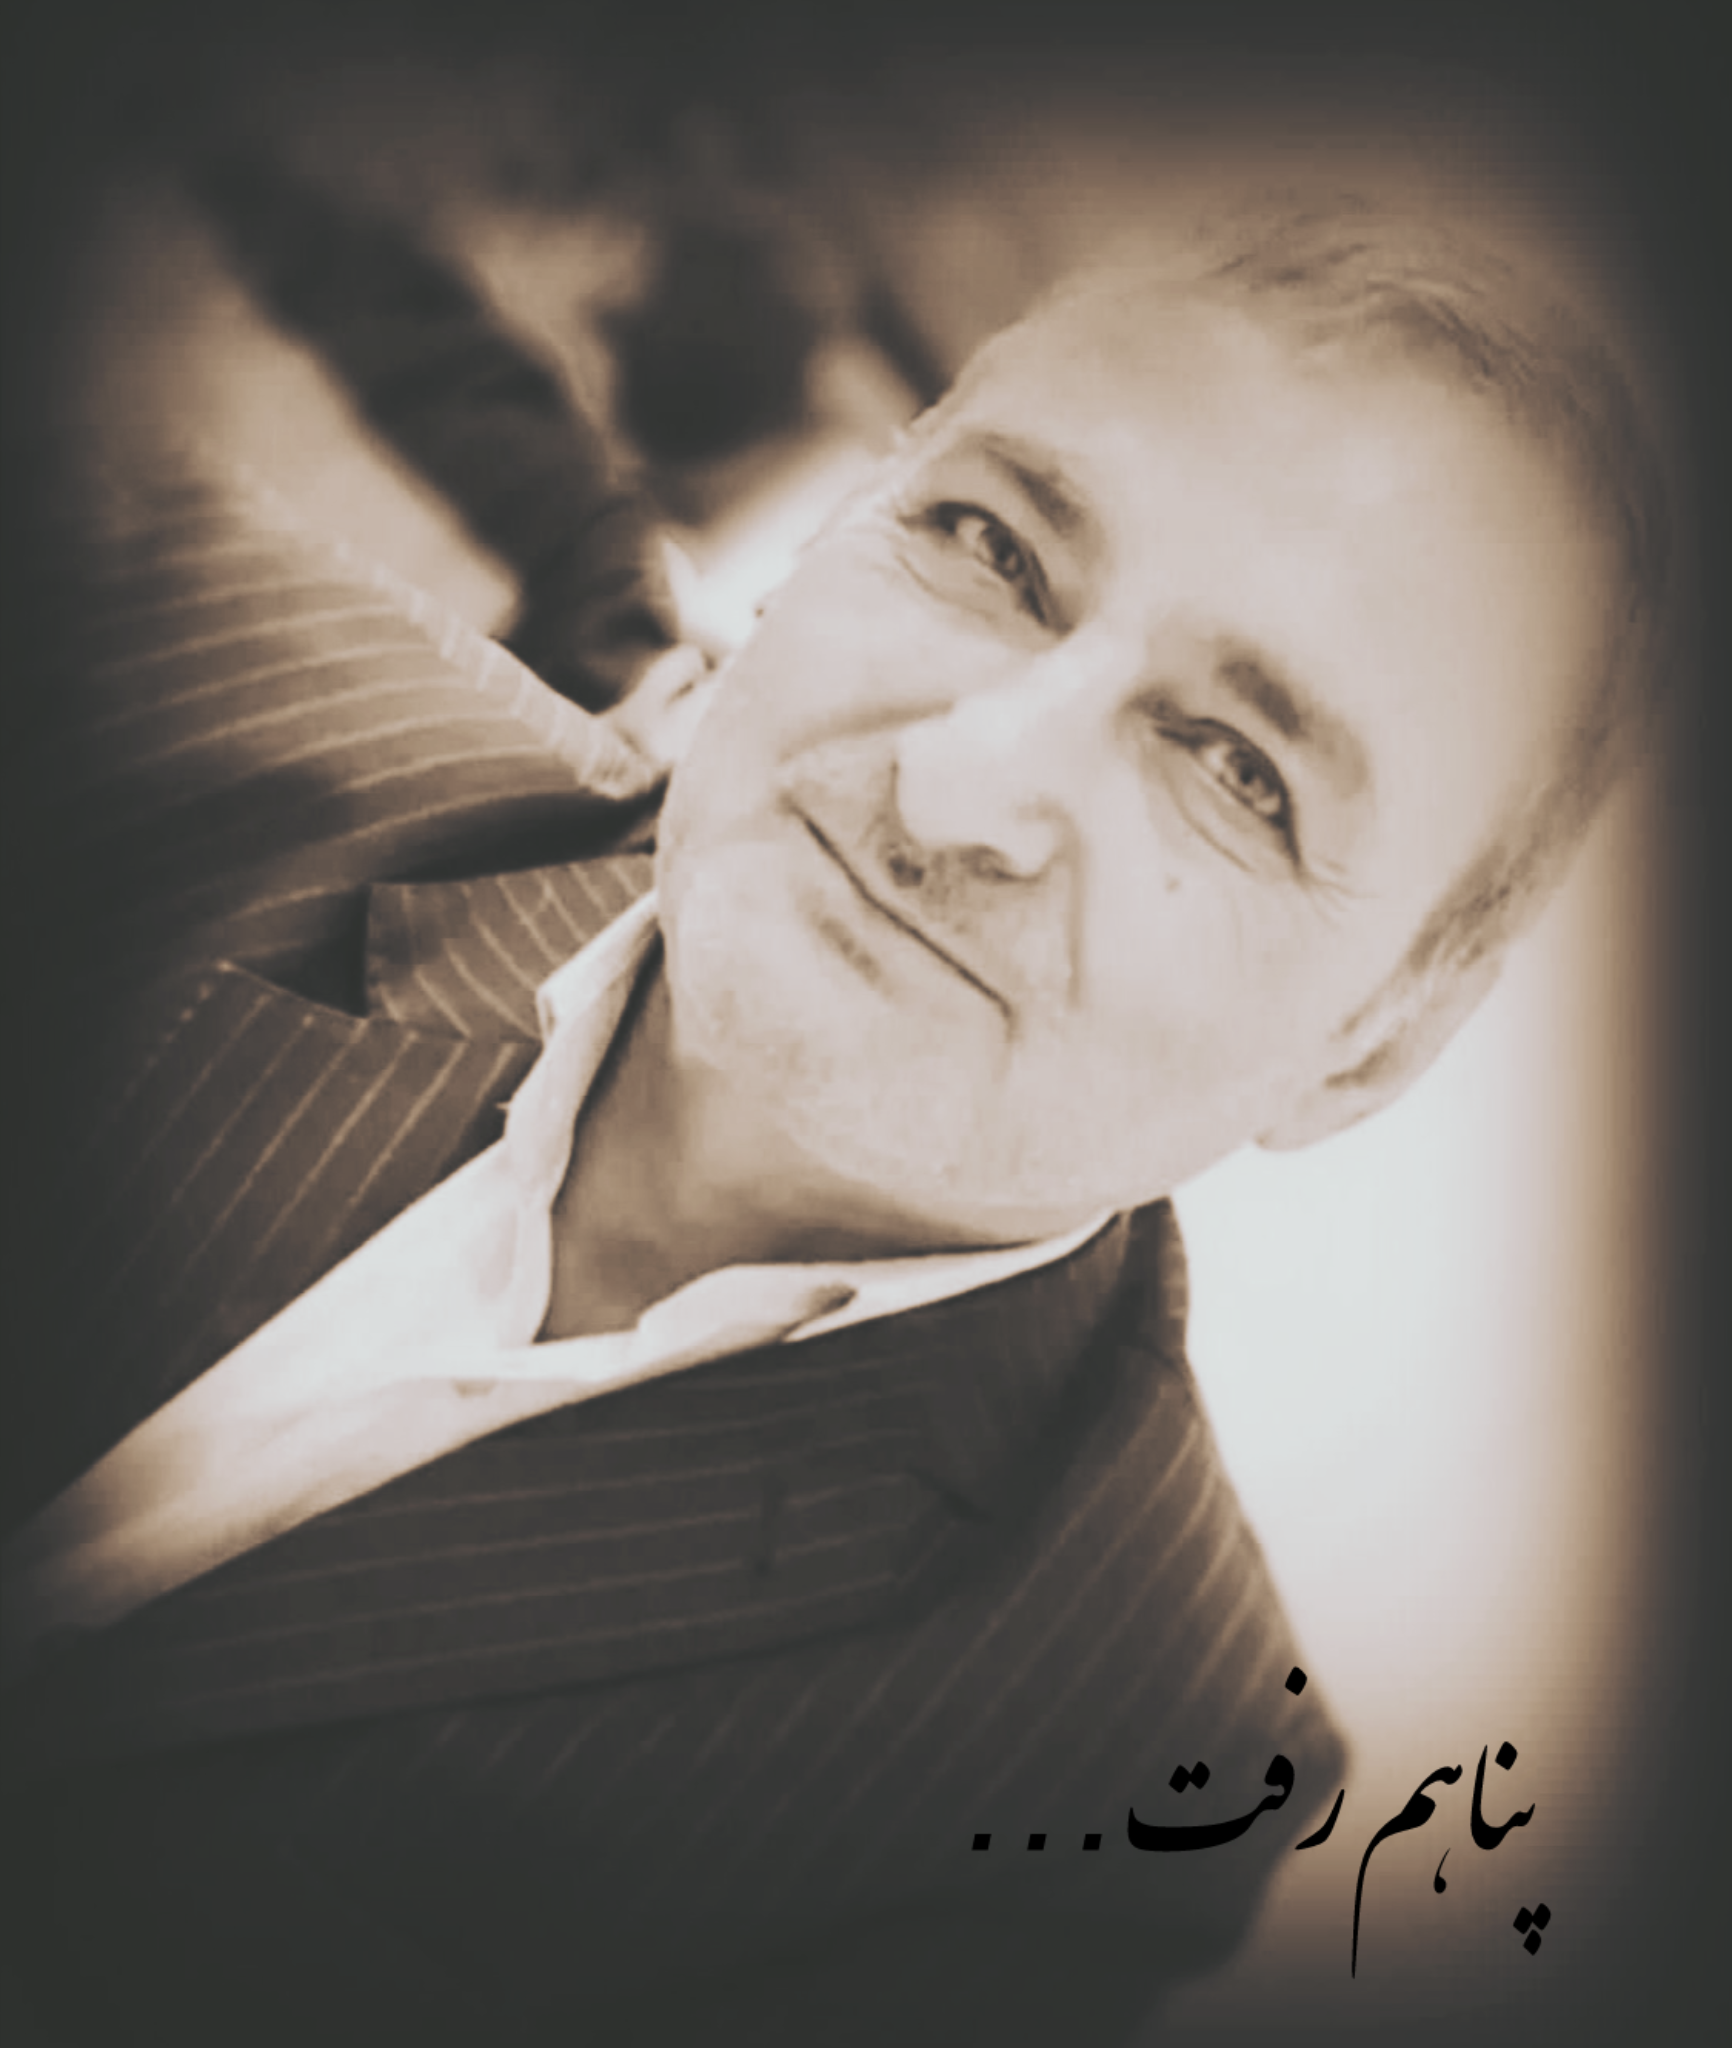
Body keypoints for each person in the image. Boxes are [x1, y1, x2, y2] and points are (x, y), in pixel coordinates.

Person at [0, 193, 1675, 2047]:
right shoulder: (175, 661)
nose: (957, 789)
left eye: (1237, 771)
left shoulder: (1095, 1803)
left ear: (1372, 1049)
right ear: (821, 535)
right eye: (989, 544)